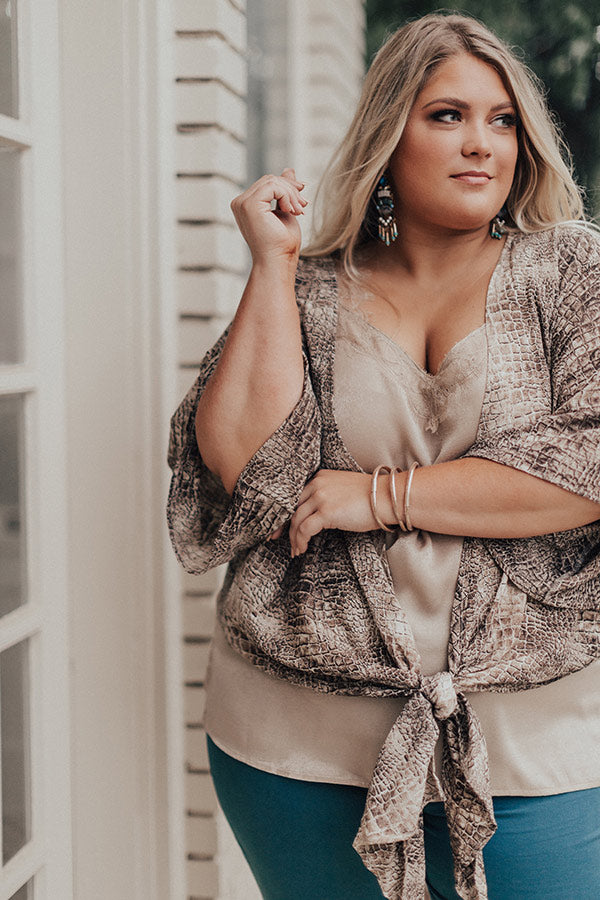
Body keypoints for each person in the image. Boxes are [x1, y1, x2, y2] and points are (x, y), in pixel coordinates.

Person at [167, 12, 600, 900]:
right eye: (447, 115)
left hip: (538, 734)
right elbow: (247, 473)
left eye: (502, 120)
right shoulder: (313, 288)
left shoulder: (570, 270)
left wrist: (376, 495)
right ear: (387, 137)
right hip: (298, 737)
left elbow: (589, 462)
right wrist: (273, 267)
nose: (482, 143)